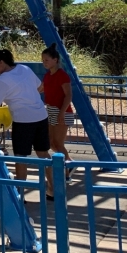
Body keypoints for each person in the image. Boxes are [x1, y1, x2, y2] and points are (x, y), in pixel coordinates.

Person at [0, 47, 54, 199]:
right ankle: (53, 189)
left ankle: (19, 192)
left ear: (0, 63)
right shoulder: (24, 68)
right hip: (40, 115)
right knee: (43, 153)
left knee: (20, 157)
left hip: (23, 120)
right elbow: (40, 87)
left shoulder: (2, 80)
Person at [41, 44, 75, 174]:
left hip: (61, 110)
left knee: (58, 142)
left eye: (46, 60)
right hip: (51, 110)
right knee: (51, 143)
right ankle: (68, 162)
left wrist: (62, 112)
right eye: (43, 60)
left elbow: (68, 95)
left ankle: (68, 165)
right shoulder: (47, 75)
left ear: (55, 60)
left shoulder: (62, 75)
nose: (44, 63)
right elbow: (42, 89)